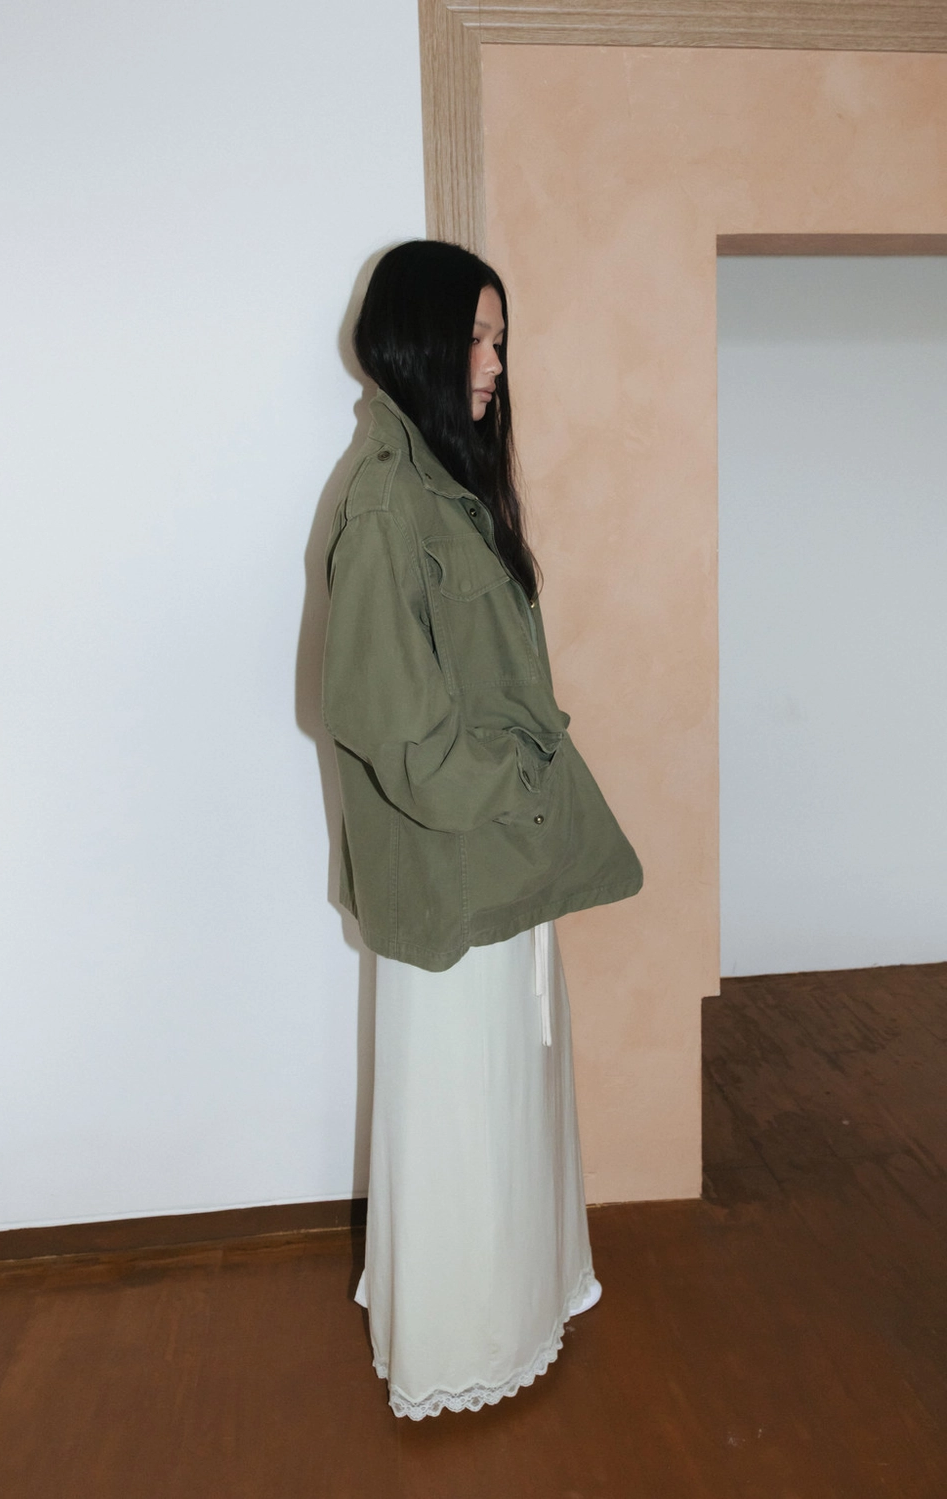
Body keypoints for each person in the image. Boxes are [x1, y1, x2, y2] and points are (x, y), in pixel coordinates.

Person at [322, 240, 642, 1420]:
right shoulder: (386, 499)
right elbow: (392, 727)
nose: (495, 362)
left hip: (496, 857)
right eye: (476, 337)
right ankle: (459, 1343)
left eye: (498, 338)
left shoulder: (438, 479)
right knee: (461, 1112)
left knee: (506, 1098)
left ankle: (519, 1305)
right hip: (459, 864)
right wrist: (514, 776)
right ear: (416, 339)